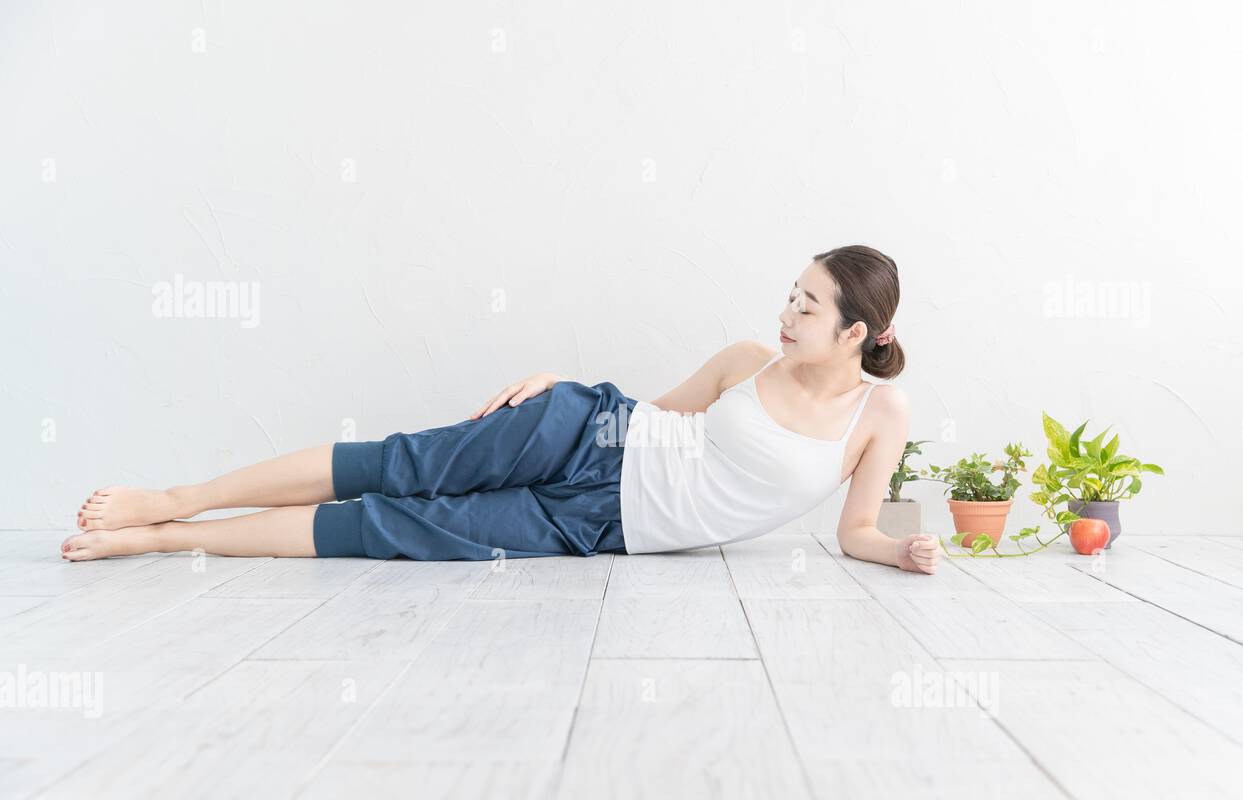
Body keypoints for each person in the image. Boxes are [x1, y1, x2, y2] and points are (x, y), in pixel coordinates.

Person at [61, 244, 942, 574]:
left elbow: (853, 531)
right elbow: (645, 412)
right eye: (789, 294)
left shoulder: (881, 416)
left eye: (806, 306)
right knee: (396, 465)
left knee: (389, 529)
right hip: (591, 433)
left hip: (602, 525)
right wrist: (557, 392)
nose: (783, 315)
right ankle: (172, 502)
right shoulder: (748, 361)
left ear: (857, 332)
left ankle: (167, 539)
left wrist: (901, 551)